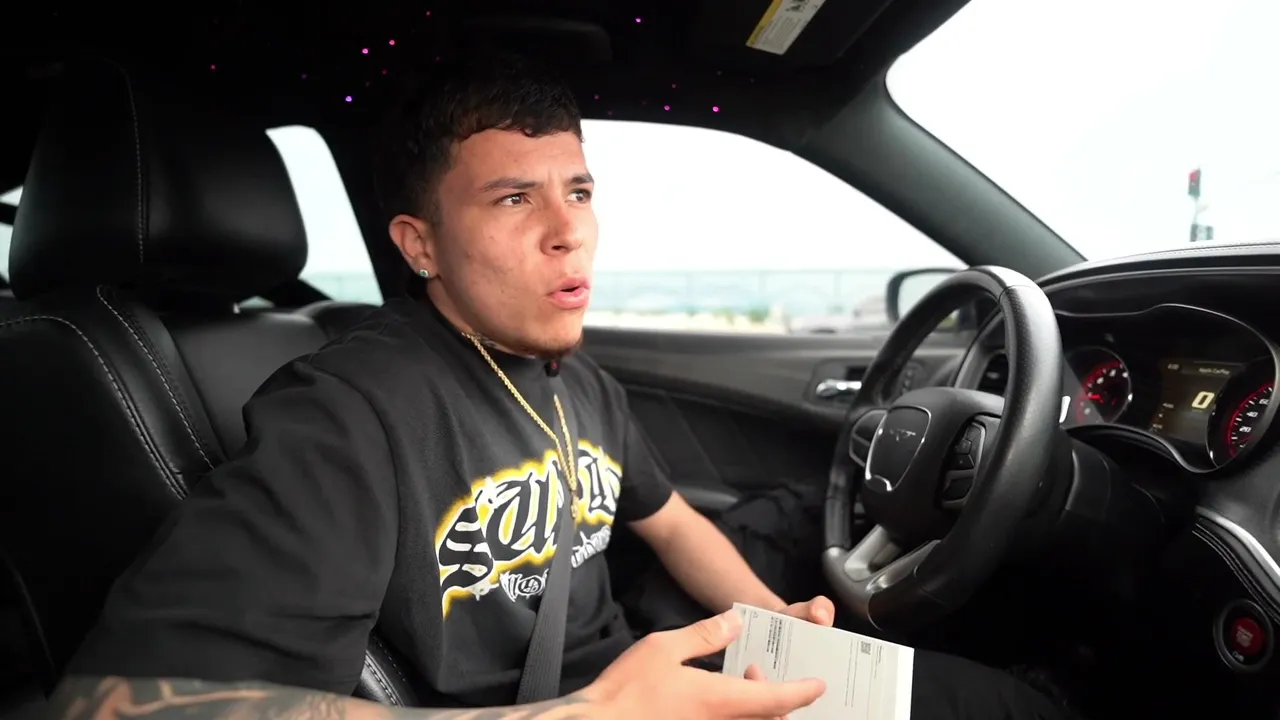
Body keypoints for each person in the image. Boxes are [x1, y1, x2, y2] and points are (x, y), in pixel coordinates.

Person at [49, 54, 1081, 720]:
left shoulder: (573, 380)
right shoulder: (348, 412)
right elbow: (111, 706)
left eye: (578, 191)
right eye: (513, 199)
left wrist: (774, 616)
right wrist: (594, 715)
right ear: (419, 245)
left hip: (657, 676)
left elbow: (672, 523)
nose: (567, 231)